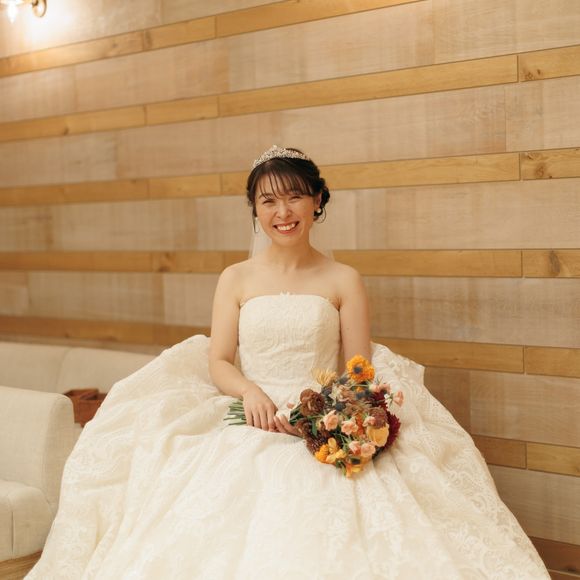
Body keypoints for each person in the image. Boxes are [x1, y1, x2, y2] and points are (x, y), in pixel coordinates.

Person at [28, 145, 549, 579]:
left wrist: (326, 418)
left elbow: (358, 370)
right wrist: (250, 392)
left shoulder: (343, 279)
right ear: (254, 210)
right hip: (248, 415)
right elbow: (219, 360)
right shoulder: (235, 278)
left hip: (317, 418)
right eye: (269, 200)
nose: (283, 211)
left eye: (295, 196)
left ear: (317, 200)